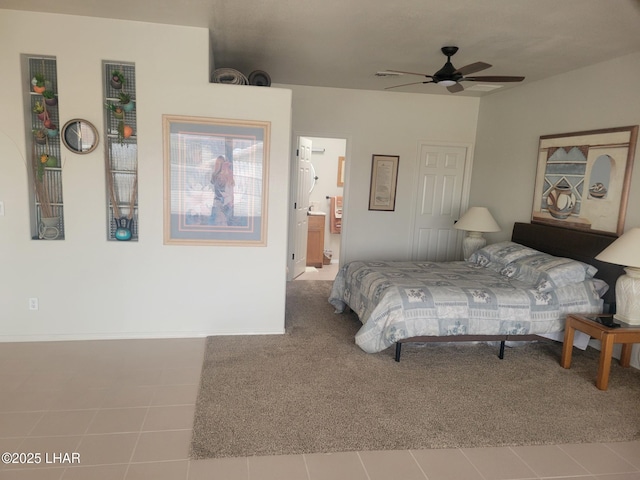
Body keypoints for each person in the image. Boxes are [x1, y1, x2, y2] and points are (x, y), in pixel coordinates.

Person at [210, 155, 235, 225]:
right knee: (222, 219)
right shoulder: (218, 175)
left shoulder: (219, 175)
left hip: (222, 201)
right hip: (223, 201)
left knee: (220, 220)